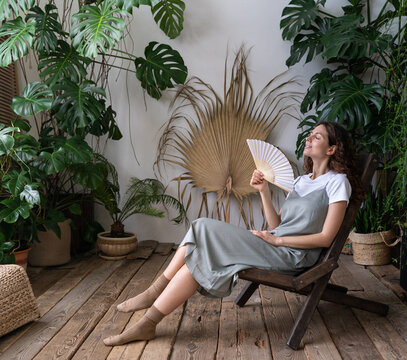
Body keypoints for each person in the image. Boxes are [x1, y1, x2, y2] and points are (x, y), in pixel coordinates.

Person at [103, 122, 362, 346]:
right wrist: (263, 192)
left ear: (331, 149)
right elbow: (276, 224)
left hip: (295, 256)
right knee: (199, 257)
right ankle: (149, 323)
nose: (309, 138)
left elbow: (326, 238)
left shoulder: (338, 183)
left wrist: (278, 240)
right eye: (310, 134)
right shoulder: (300, 181)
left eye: (317, 136)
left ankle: (153, 292)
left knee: (202, 225)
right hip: (274, 245)